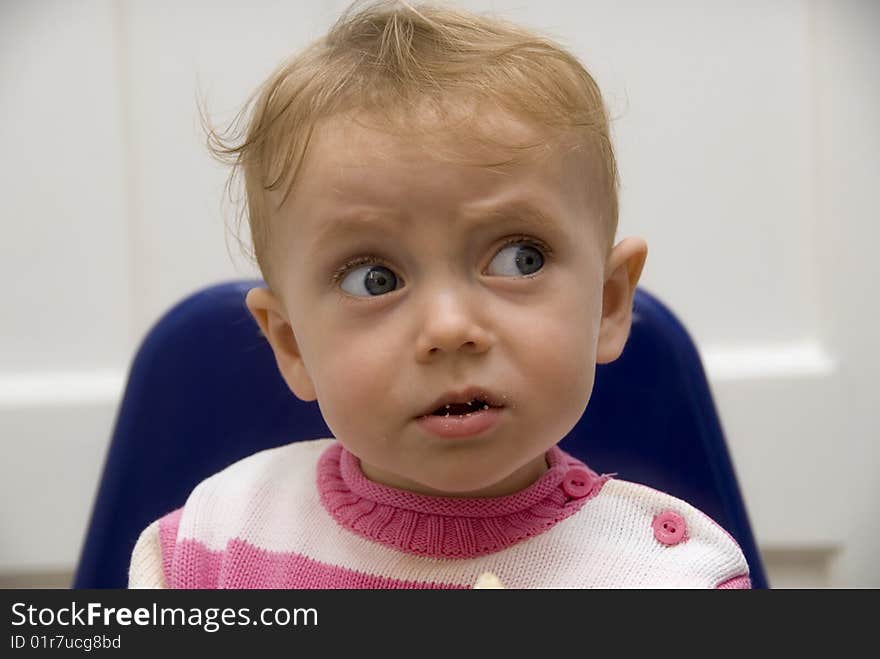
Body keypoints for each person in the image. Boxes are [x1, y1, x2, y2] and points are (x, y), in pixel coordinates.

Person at [128, 0, 750, 589]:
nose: (450, 328)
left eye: (518, 258)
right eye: (374, 279)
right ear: (291, 344)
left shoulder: (668, 577)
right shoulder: (214, 547)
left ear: (609, 304)